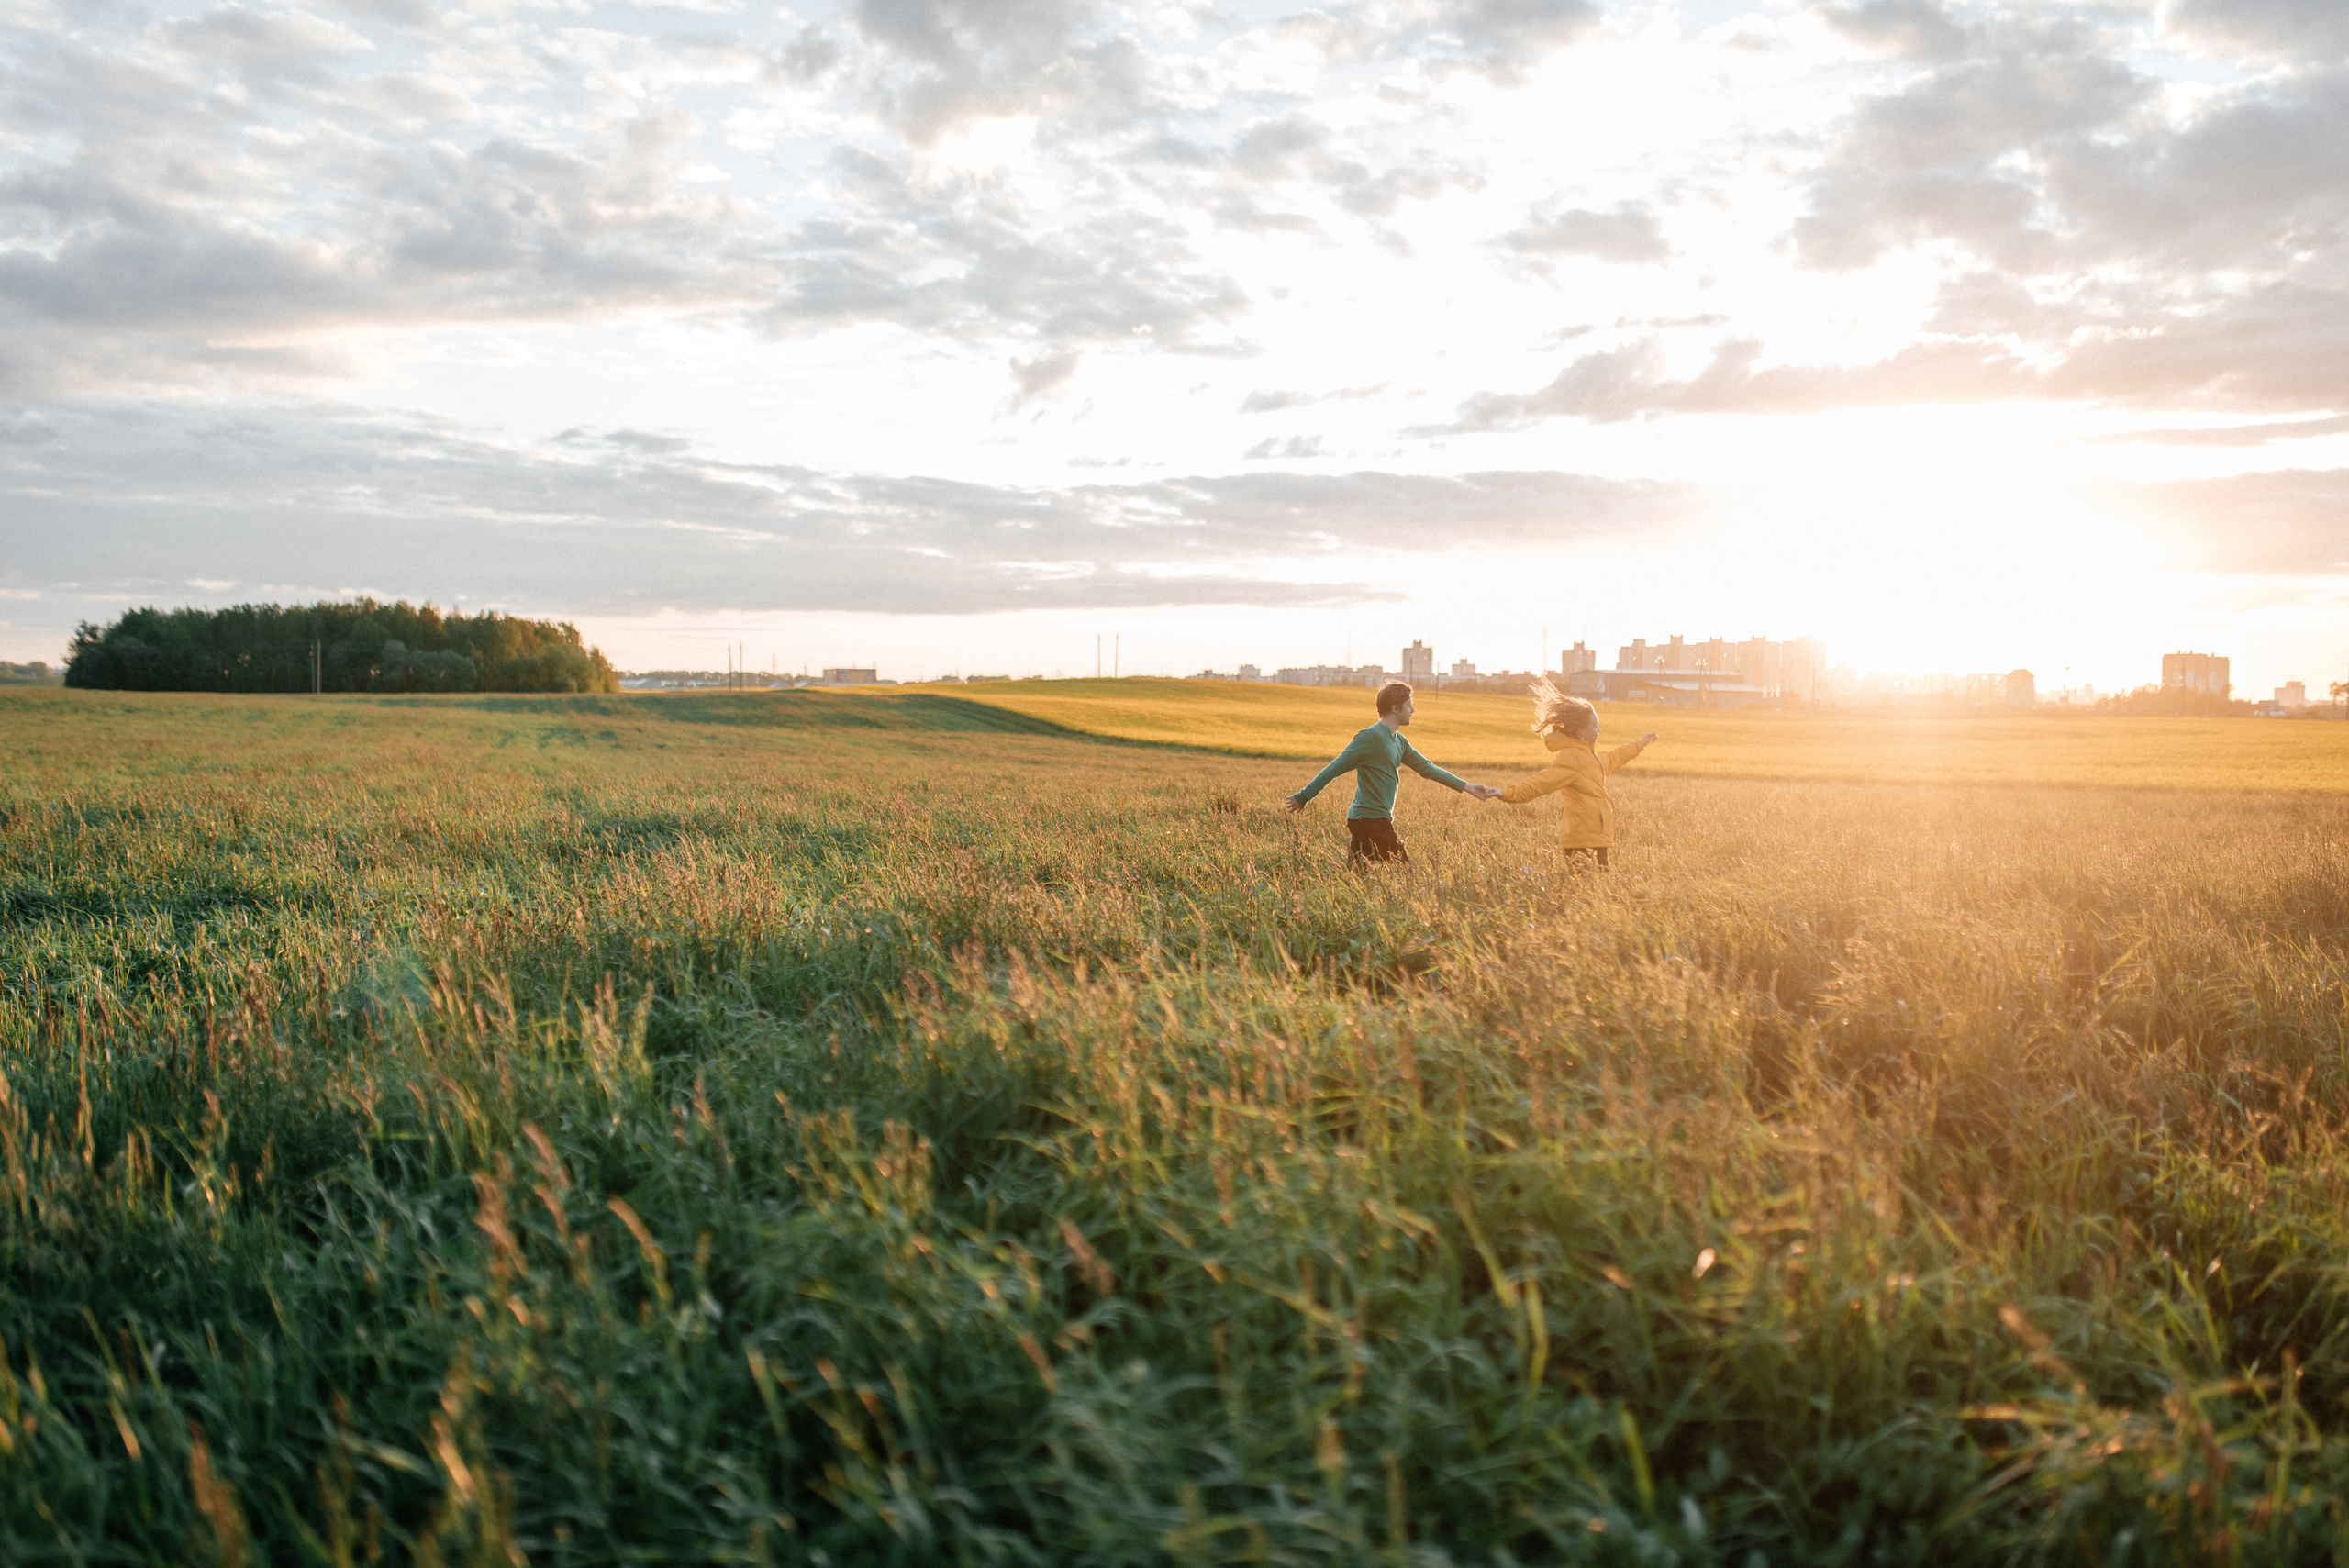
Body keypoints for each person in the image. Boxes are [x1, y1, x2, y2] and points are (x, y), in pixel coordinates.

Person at [1284, 681, 1497, 863]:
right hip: (1368, 820)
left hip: (1372, 819)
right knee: (1404, 873)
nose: (1413, 711)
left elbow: (1427, 769)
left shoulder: (1399, 741)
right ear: (1395, 709)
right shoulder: (1369, 737)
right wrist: (1304, 796)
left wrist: (1468, 787)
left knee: (1358, 879)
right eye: (1409, 706)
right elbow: (1334, 768)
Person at [1495, 678, 1658, 868]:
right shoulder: (1572, 758)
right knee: (1586, 889)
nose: (1599, 729)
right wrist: (1506, 793)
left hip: (1597, 837)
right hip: (1581, 841)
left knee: (1598, 891)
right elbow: (1541, 782)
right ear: (1581, 732)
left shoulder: (1588, 758)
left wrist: (1640, 744)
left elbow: (1613, 758)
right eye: (1594, 726)